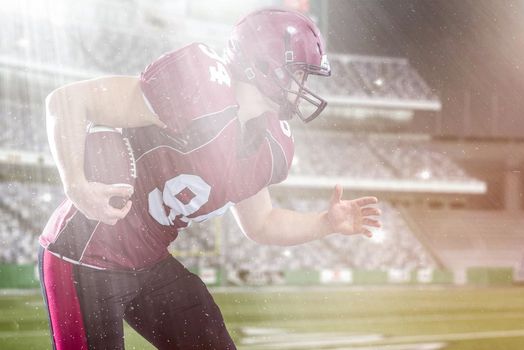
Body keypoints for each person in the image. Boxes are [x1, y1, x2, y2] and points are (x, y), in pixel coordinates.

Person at [38, 8, 381, 349]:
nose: (303, 86)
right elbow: (67, 101)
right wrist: (76, 185)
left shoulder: (269, 141)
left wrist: (325, 222)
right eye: (299, 73)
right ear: (265, 65)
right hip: (84, 254)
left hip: (148, 260)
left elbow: (262, 223)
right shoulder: (199, 83)